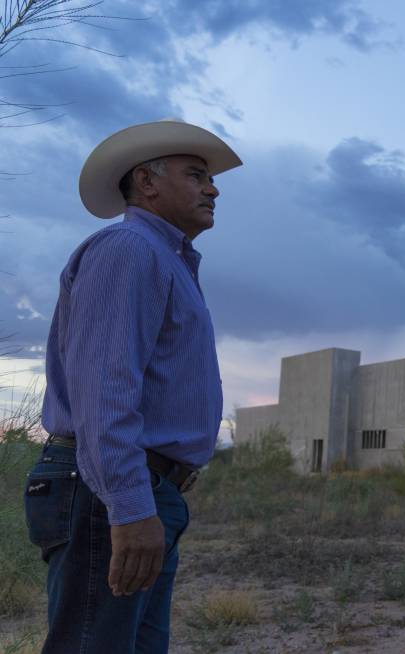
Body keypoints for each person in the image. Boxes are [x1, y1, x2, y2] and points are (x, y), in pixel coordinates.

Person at [24, 119, 242, 653]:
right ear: (147, 182)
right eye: (197, 175)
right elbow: (106, 390)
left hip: (138, 486)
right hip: (108, 487)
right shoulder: (129, 249)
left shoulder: (165, 260)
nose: (213, 188)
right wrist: (131, 504)